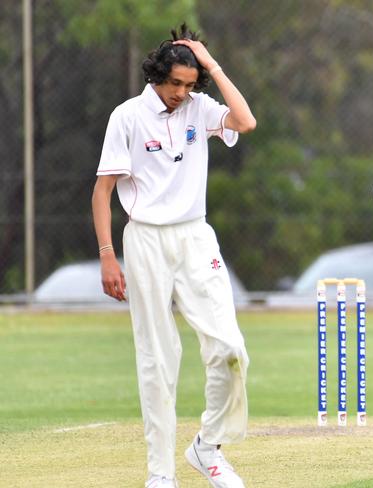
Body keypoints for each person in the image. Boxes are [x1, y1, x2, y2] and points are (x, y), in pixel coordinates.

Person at [91, 24, 256, 488]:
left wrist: (214, 67)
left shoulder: (199, 107)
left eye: (189, 84)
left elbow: (245, 122)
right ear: (155, 76)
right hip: (144, 241)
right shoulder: (126, 116)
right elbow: (103, 191)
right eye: (174, 84)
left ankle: (207, 448)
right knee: (158, 358)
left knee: (230, 349)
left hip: (195, 238)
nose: (181, 93)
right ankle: (160, 474)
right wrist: (107, 255)